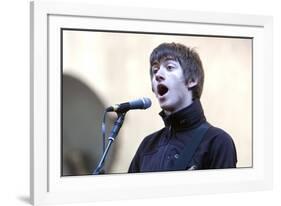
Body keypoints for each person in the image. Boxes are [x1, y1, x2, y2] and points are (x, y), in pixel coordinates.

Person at [128, 42, 237, 173]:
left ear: (192, 79)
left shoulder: (217, 141)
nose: (157, 75)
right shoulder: (147, 146)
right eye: (154, 70)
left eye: (169, 67)